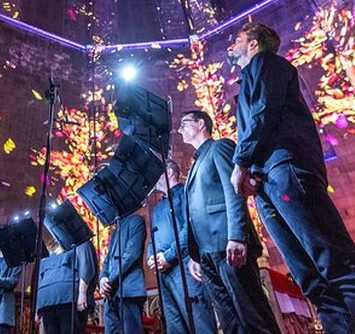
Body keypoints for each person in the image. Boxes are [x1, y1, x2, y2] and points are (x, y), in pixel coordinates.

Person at [227, 22, 355, 334]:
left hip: (286, 169)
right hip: (267, 180)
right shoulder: (248, 77)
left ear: (254, 43)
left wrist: (241, 160)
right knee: (311, 279)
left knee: (337, 264)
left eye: (238, 38)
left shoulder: (267, 63)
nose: (231, 44)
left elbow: (265, 110)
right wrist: (250, 167)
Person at [179, 110, 281, 333]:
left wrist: (237, 236)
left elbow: (233, 191)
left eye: (184, 123)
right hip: (206, 253)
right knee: (229, 321)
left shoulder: (219, 147)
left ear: (201, 123)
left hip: (228, 244)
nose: (180, 129)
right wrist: (195, 255)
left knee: (252, 315)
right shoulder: (195, 164)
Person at [147, 161, 218, 334]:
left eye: (158, 172)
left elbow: (190, 227)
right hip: (164, 273)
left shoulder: (185, 193)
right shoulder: (158, 208)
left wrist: (169, 256)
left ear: (170, 172)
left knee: (199, 321)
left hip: (184, 266)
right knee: (174, 327)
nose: (153, 178)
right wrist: (151, 256)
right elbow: (153, 238)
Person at [36, 239, 98, 334]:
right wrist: (82, 293)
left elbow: (41, 277)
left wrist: (38, 305)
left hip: (49, 297)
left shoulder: (49, 249)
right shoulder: (80, 239)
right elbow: (86, 265)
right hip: (66, 296)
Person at [99, 213, 147, 334]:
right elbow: (107, 260)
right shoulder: (115, 231)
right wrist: (102, 278)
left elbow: (131, 255)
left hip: (128, 289)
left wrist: (109, 280)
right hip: (111, 294)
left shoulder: (136, 221)